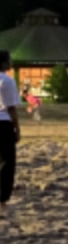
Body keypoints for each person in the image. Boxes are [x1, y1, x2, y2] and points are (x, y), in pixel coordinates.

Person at [0, 50, 21, 215]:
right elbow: (11, 108)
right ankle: (2, 200)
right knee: (7, 162)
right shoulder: (7, 81)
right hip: (3, 123)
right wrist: (17, 128)